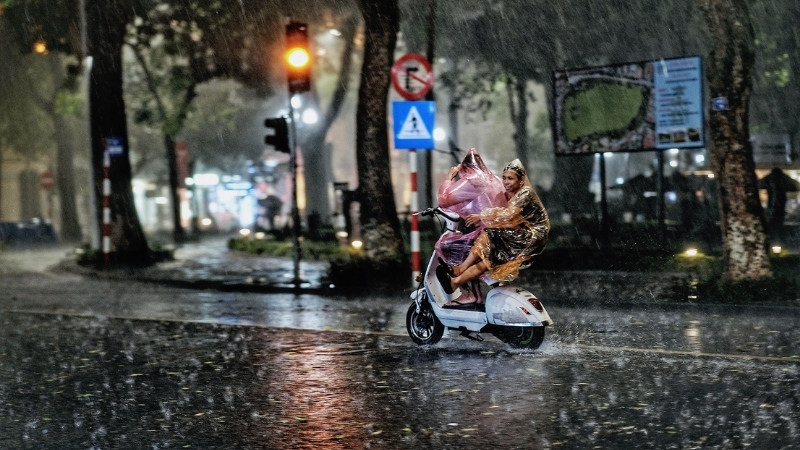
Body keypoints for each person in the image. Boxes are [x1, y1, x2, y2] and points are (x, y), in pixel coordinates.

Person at [436, 159, 550, 307]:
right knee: (487, 258)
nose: (506, 182)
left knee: (489, 234)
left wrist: (481, 215)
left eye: (510, 178)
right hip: (522, 234)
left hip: (532, 236)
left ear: (521, 180)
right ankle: (456, 282)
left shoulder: (525, 193)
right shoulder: (508, 192)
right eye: (504, 178)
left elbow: (508, 214)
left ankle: (462, 270)